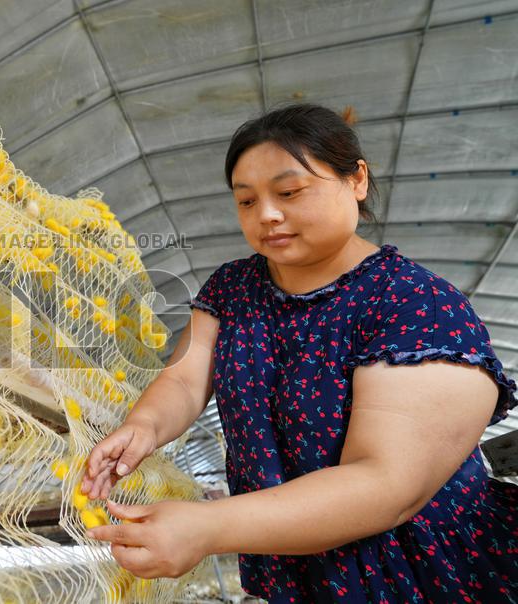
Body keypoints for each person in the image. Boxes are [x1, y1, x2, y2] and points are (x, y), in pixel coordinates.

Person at [81, 103, 518, 602]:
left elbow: (383, 486)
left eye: (289, 193)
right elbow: (184, 380)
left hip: (421, 571)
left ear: (356, 180)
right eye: (246, 201)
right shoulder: (235, 288)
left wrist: (207, 527)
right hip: (305, 575)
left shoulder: (416, 305)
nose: (266, 214)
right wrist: (144, 426)